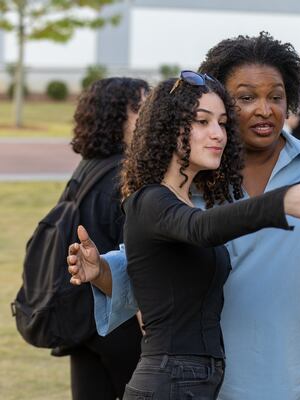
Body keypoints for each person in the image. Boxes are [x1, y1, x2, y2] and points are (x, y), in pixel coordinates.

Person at [68, 33, 300, 400]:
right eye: (246, 97)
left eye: (276, 97)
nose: (264, 110)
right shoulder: (191, 184)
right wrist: (105, 272)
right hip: (226, 386)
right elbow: (155, 262)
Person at [68, 77, 149, 400]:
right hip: (117, 320)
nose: (148, 116)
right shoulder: (125, 175)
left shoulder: (86, 167)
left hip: (81, 320)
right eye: (140, 108)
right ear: (118, 116)